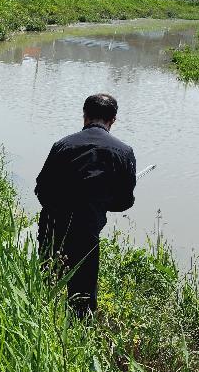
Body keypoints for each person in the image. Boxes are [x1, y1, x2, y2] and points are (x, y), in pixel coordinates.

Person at [34, 93, 137, 317]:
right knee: (82, 295)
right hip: (87, 230)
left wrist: (58, 208)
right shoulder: (124, 152)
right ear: (113, 120)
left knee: (45, 284)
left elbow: (41, 188)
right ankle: (76, 337)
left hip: (52, 225)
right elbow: (125, 201)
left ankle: (38, 324)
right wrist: (99, 203)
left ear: (84, 116)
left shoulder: (62, 145)